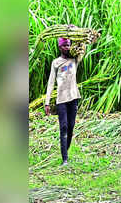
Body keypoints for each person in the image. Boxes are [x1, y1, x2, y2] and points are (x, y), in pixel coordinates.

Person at [44, 37, 85, 166]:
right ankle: (65, 159)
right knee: (64, 127)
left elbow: (83, 48)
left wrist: (76, 34)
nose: (67, 48)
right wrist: (47, 102)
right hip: (61, 99)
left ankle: (65, 150)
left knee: (71, 127)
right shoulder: (56, 63)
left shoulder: (75, 60)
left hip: (73, 98)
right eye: (64, 46)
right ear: (59, 47)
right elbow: (51, 83)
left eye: (68, 45)